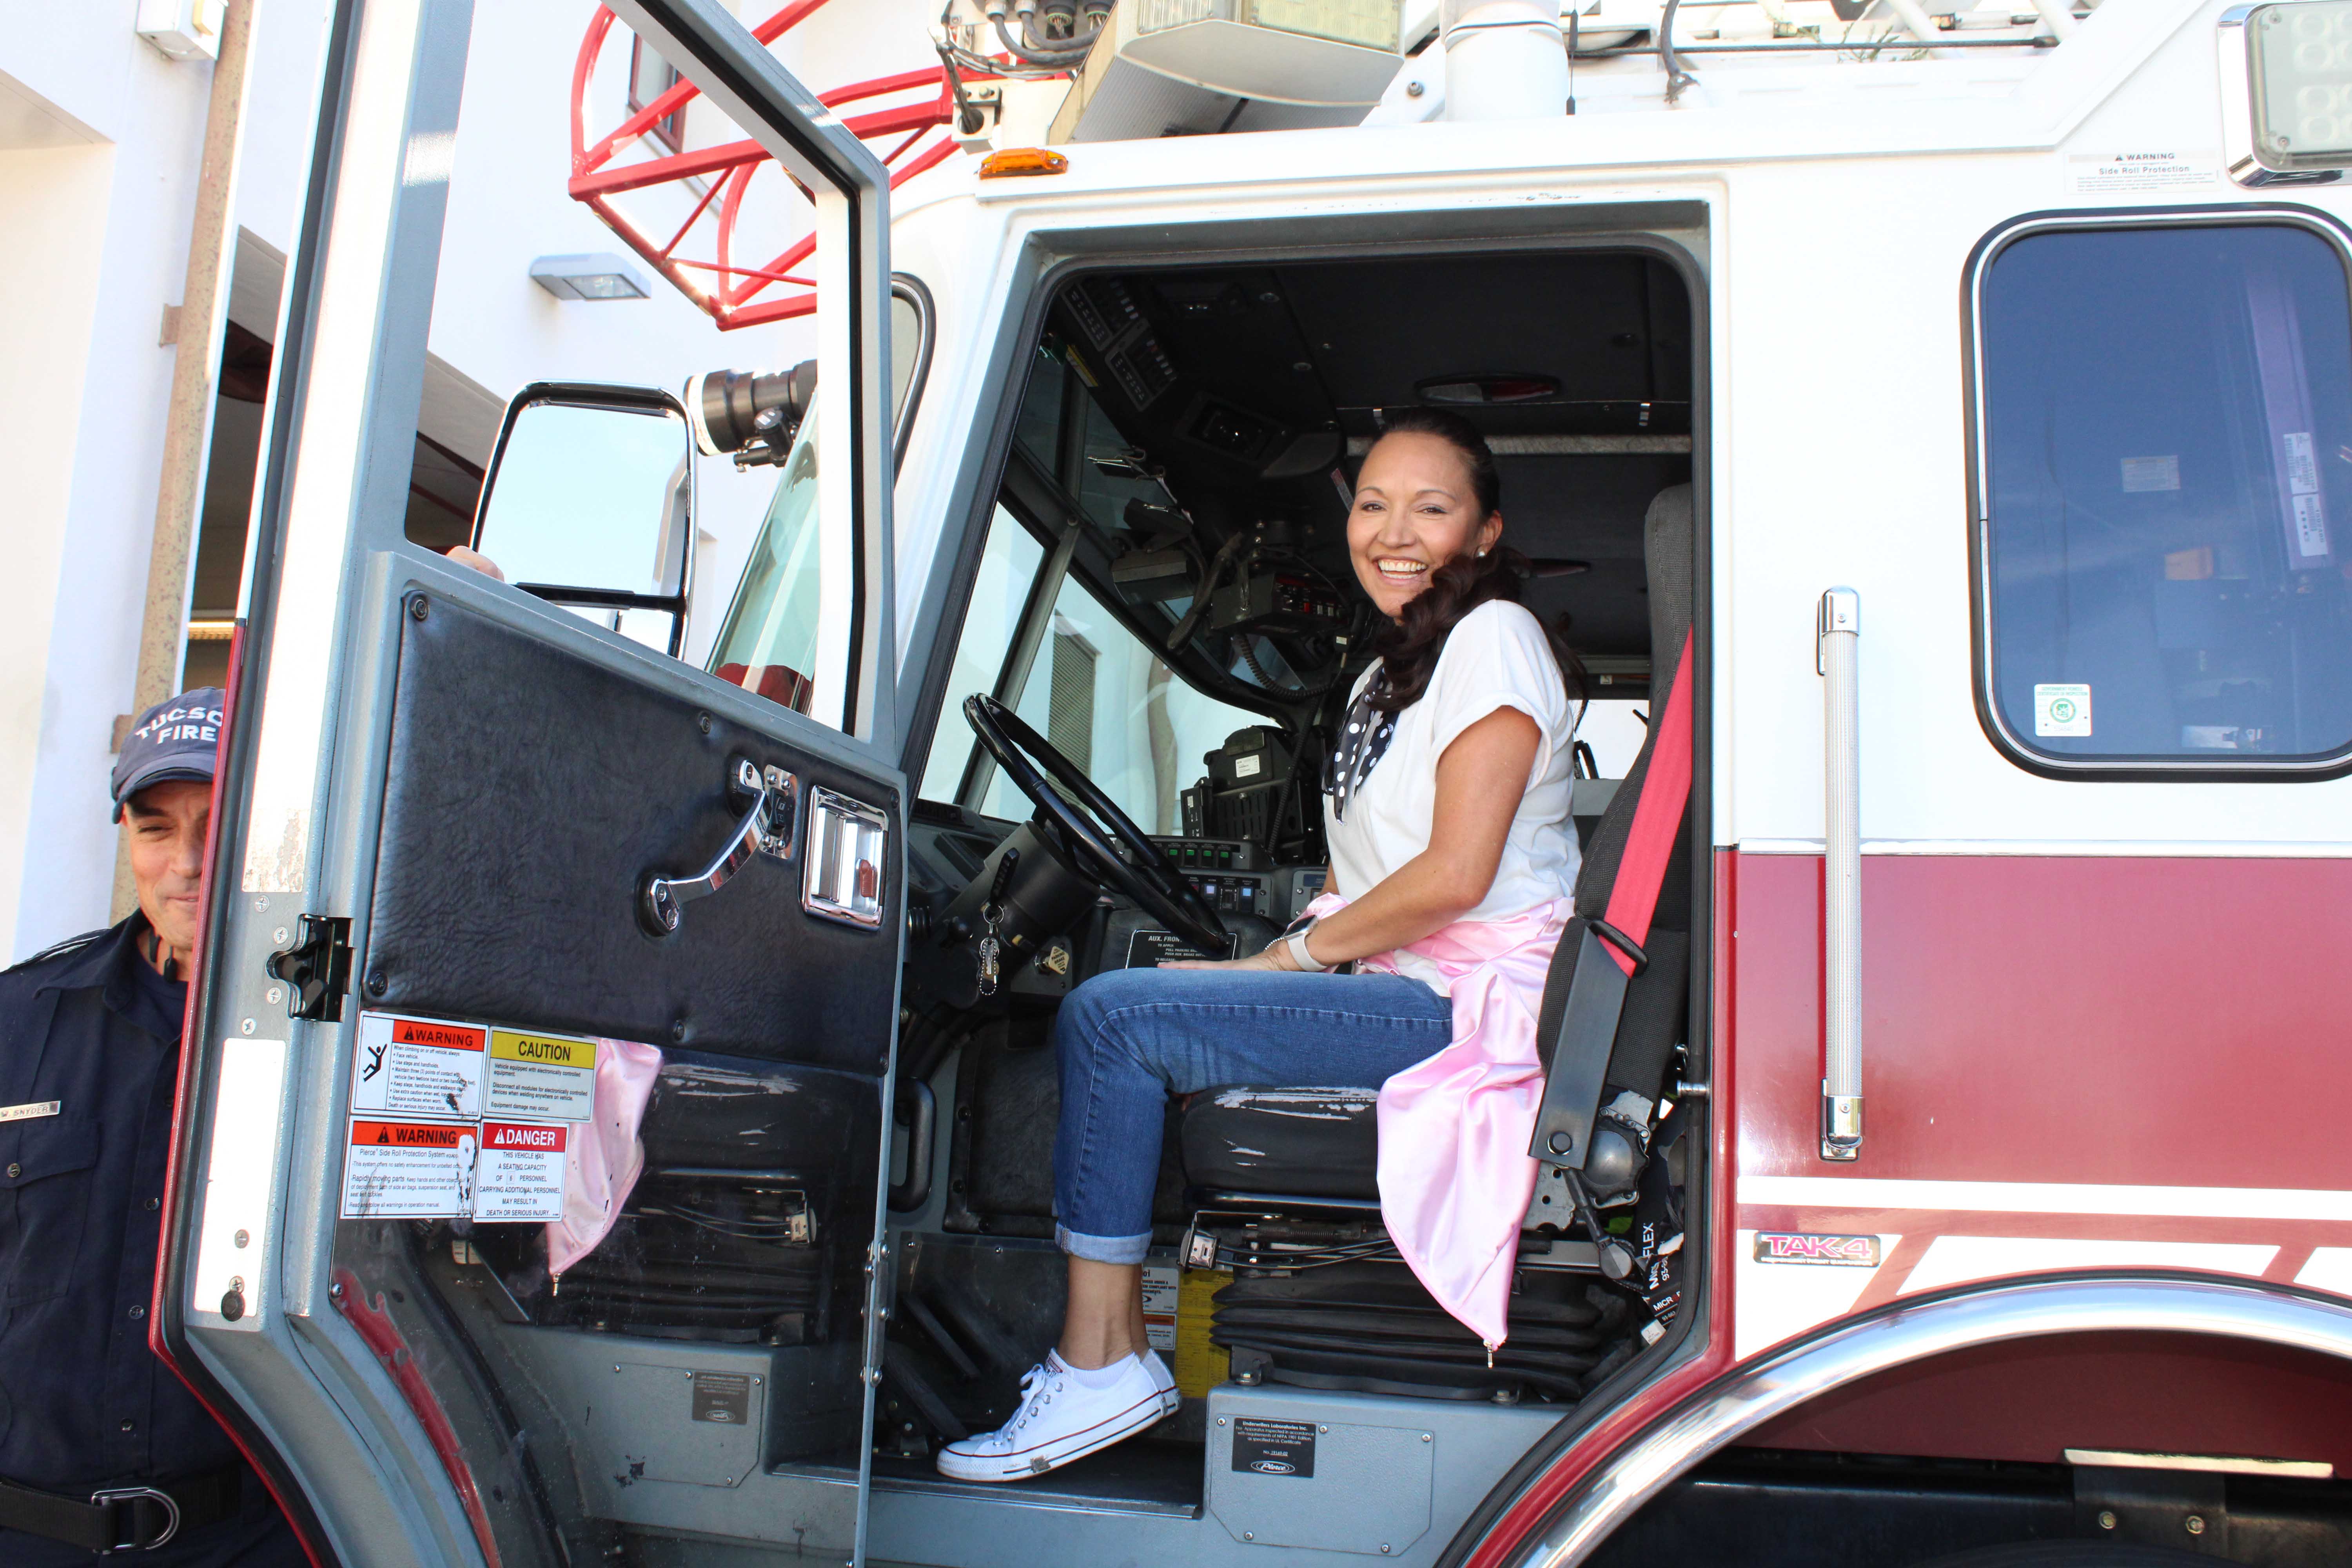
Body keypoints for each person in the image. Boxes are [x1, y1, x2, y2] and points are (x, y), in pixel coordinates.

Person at [936, 407, 1585, 1483]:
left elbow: (1455, 876)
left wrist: (1284, 965)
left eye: (1432, 508)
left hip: (1462, 1003)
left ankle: (1102, 1361)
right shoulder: (1389, 676)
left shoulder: (1494, 637)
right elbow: (1365, 877)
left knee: (1111, 1017)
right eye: (1373, 505)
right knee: (1157, 994)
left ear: (1483, 532)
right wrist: (1259, 953)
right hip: (1408, 974)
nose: (1394, 531)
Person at [0, 690, 304, 1564]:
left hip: (246, 1536)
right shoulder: (22, 1019)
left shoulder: (333, 1033)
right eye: (156, 829)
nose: (189, 862)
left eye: (219, 823)